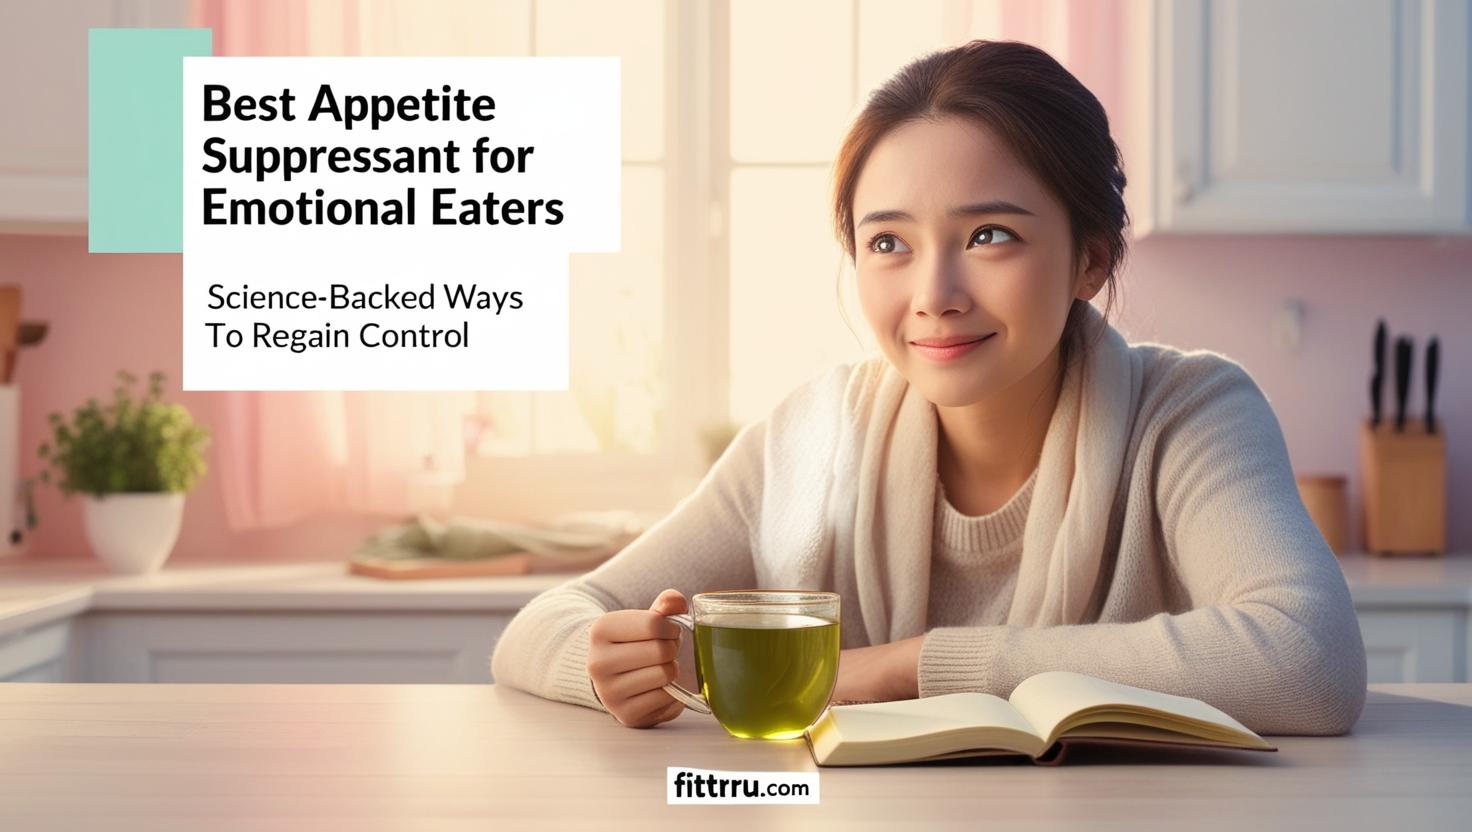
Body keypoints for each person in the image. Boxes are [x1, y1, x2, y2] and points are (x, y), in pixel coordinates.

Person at [489, 39, 1367, 733]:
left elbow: (1308, 659)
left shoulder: (1190, 416)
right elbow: (545, 624)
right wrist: (609, 666)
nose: (934, 297)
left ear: (1090, 259)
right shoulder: (810, 440)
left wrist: (911, 667)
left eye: (989, 235)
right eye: (889, 243)